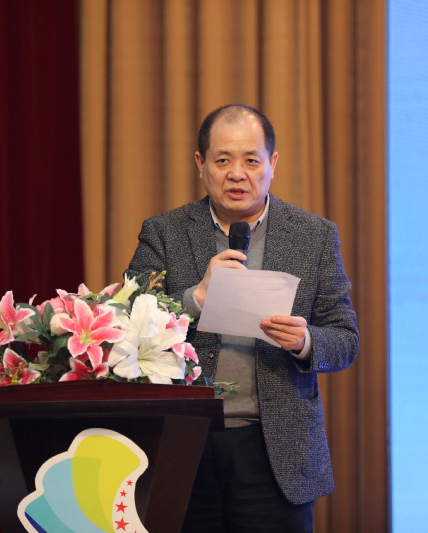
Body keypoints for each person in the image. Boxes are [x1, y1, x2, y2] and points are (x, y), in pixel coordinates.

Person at [127, 104, 359, 532]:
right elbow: (128, 324)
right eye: (223, 161)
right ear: (201, 164)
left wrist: (304, 341)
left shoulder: (313, 235)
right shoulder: (164, 232)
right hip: (183, 441)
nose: (237, 174)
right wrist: (195, 298)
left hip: (274, 448)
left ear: (272, 163)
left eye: (251, 160)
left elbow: (344, 338)